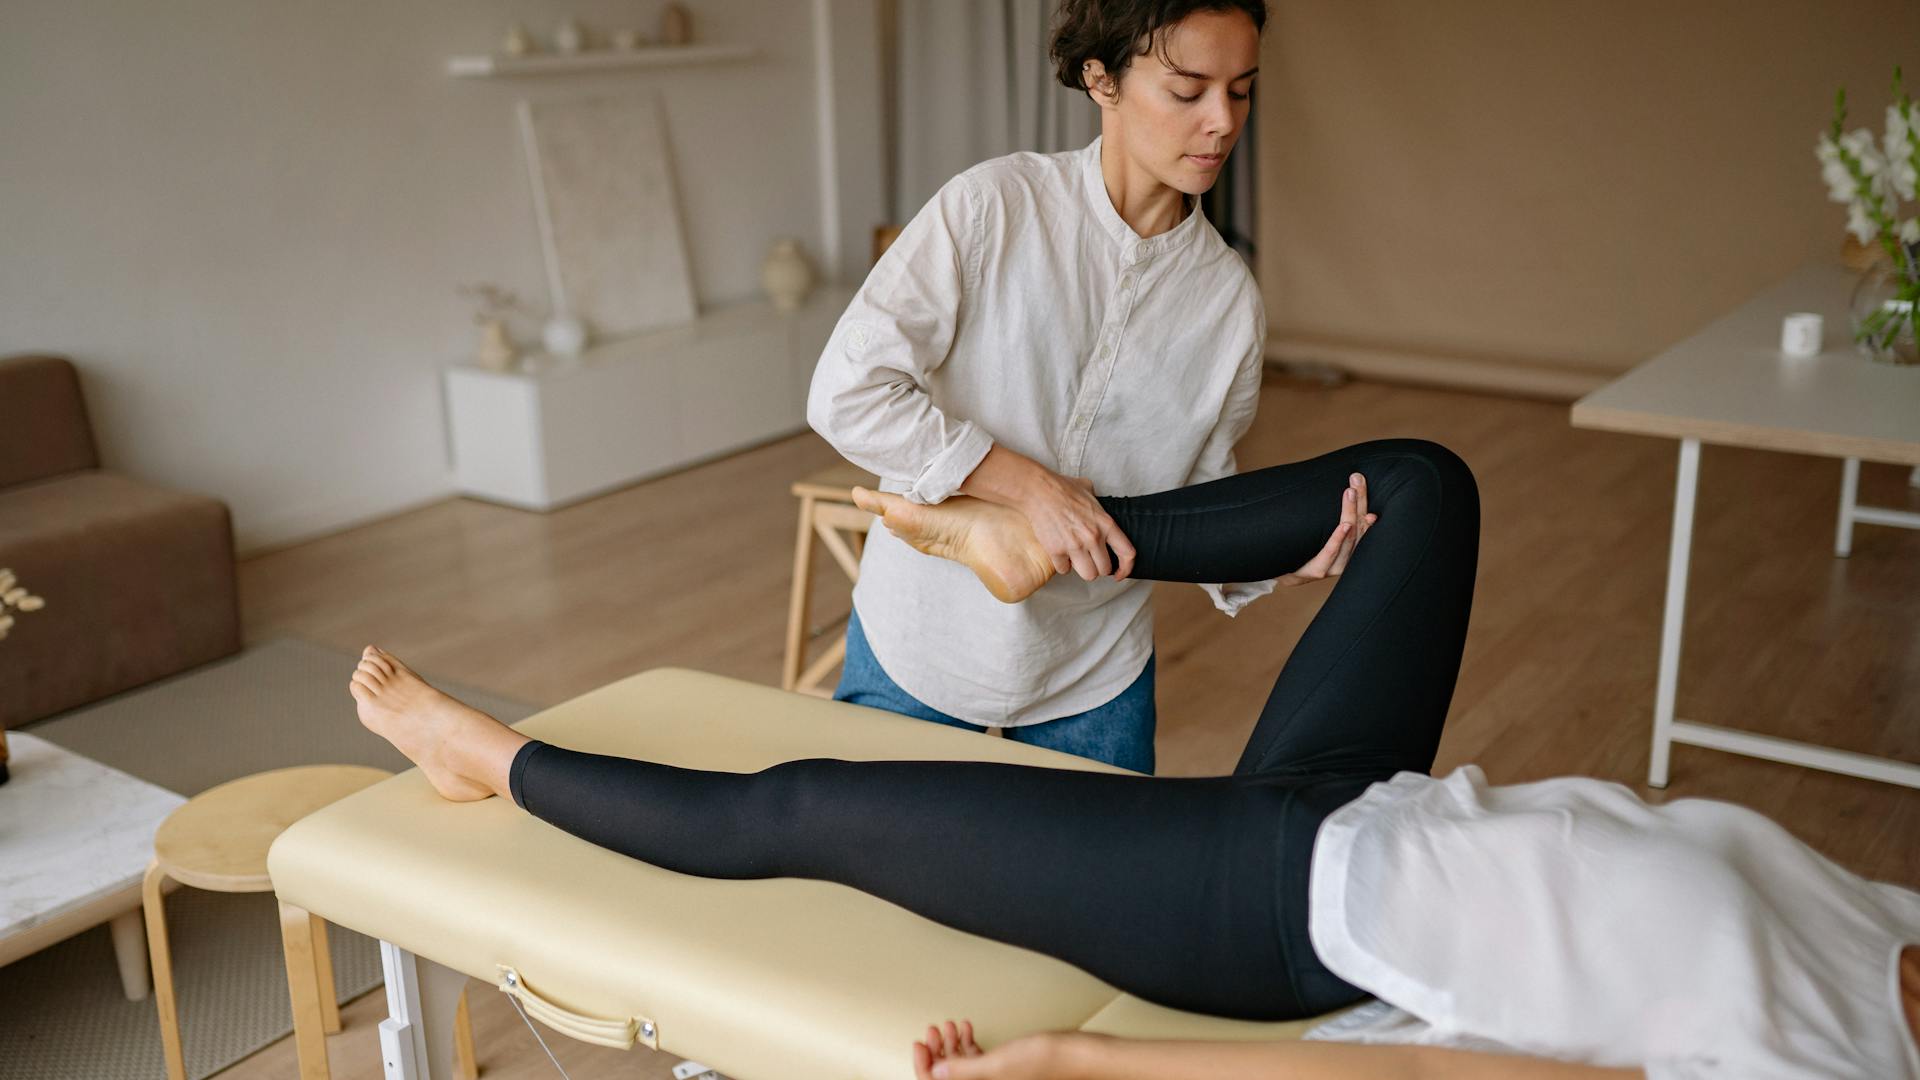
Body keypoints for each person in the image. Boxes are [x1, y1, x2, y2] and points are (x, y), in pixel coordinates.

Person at [350, 442, 1920, 1079]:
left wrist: (1083, 1064)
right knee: (1421, 489)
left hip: (1275, 911)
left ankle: (489, 761)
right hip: (1378, 803)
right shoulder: (1893, 929)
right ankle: (1043, 548)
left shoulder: (1820, 1066)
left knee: (821, 808)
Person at [807, 0, 1321, 772]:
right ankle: (976, 524)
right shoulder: (992, 208)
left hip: (1094, 675)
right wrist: (1026, 488)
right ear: (1100, 78)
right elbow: (847, 391)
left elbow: (1202, 491)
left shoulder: (1229, 303)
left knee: (1086, 897)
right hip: (920, 642)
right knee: (866, 882)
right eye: (1188, 91)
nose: (1221, 121)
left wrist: (1284, 547)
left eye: (1241, 90)